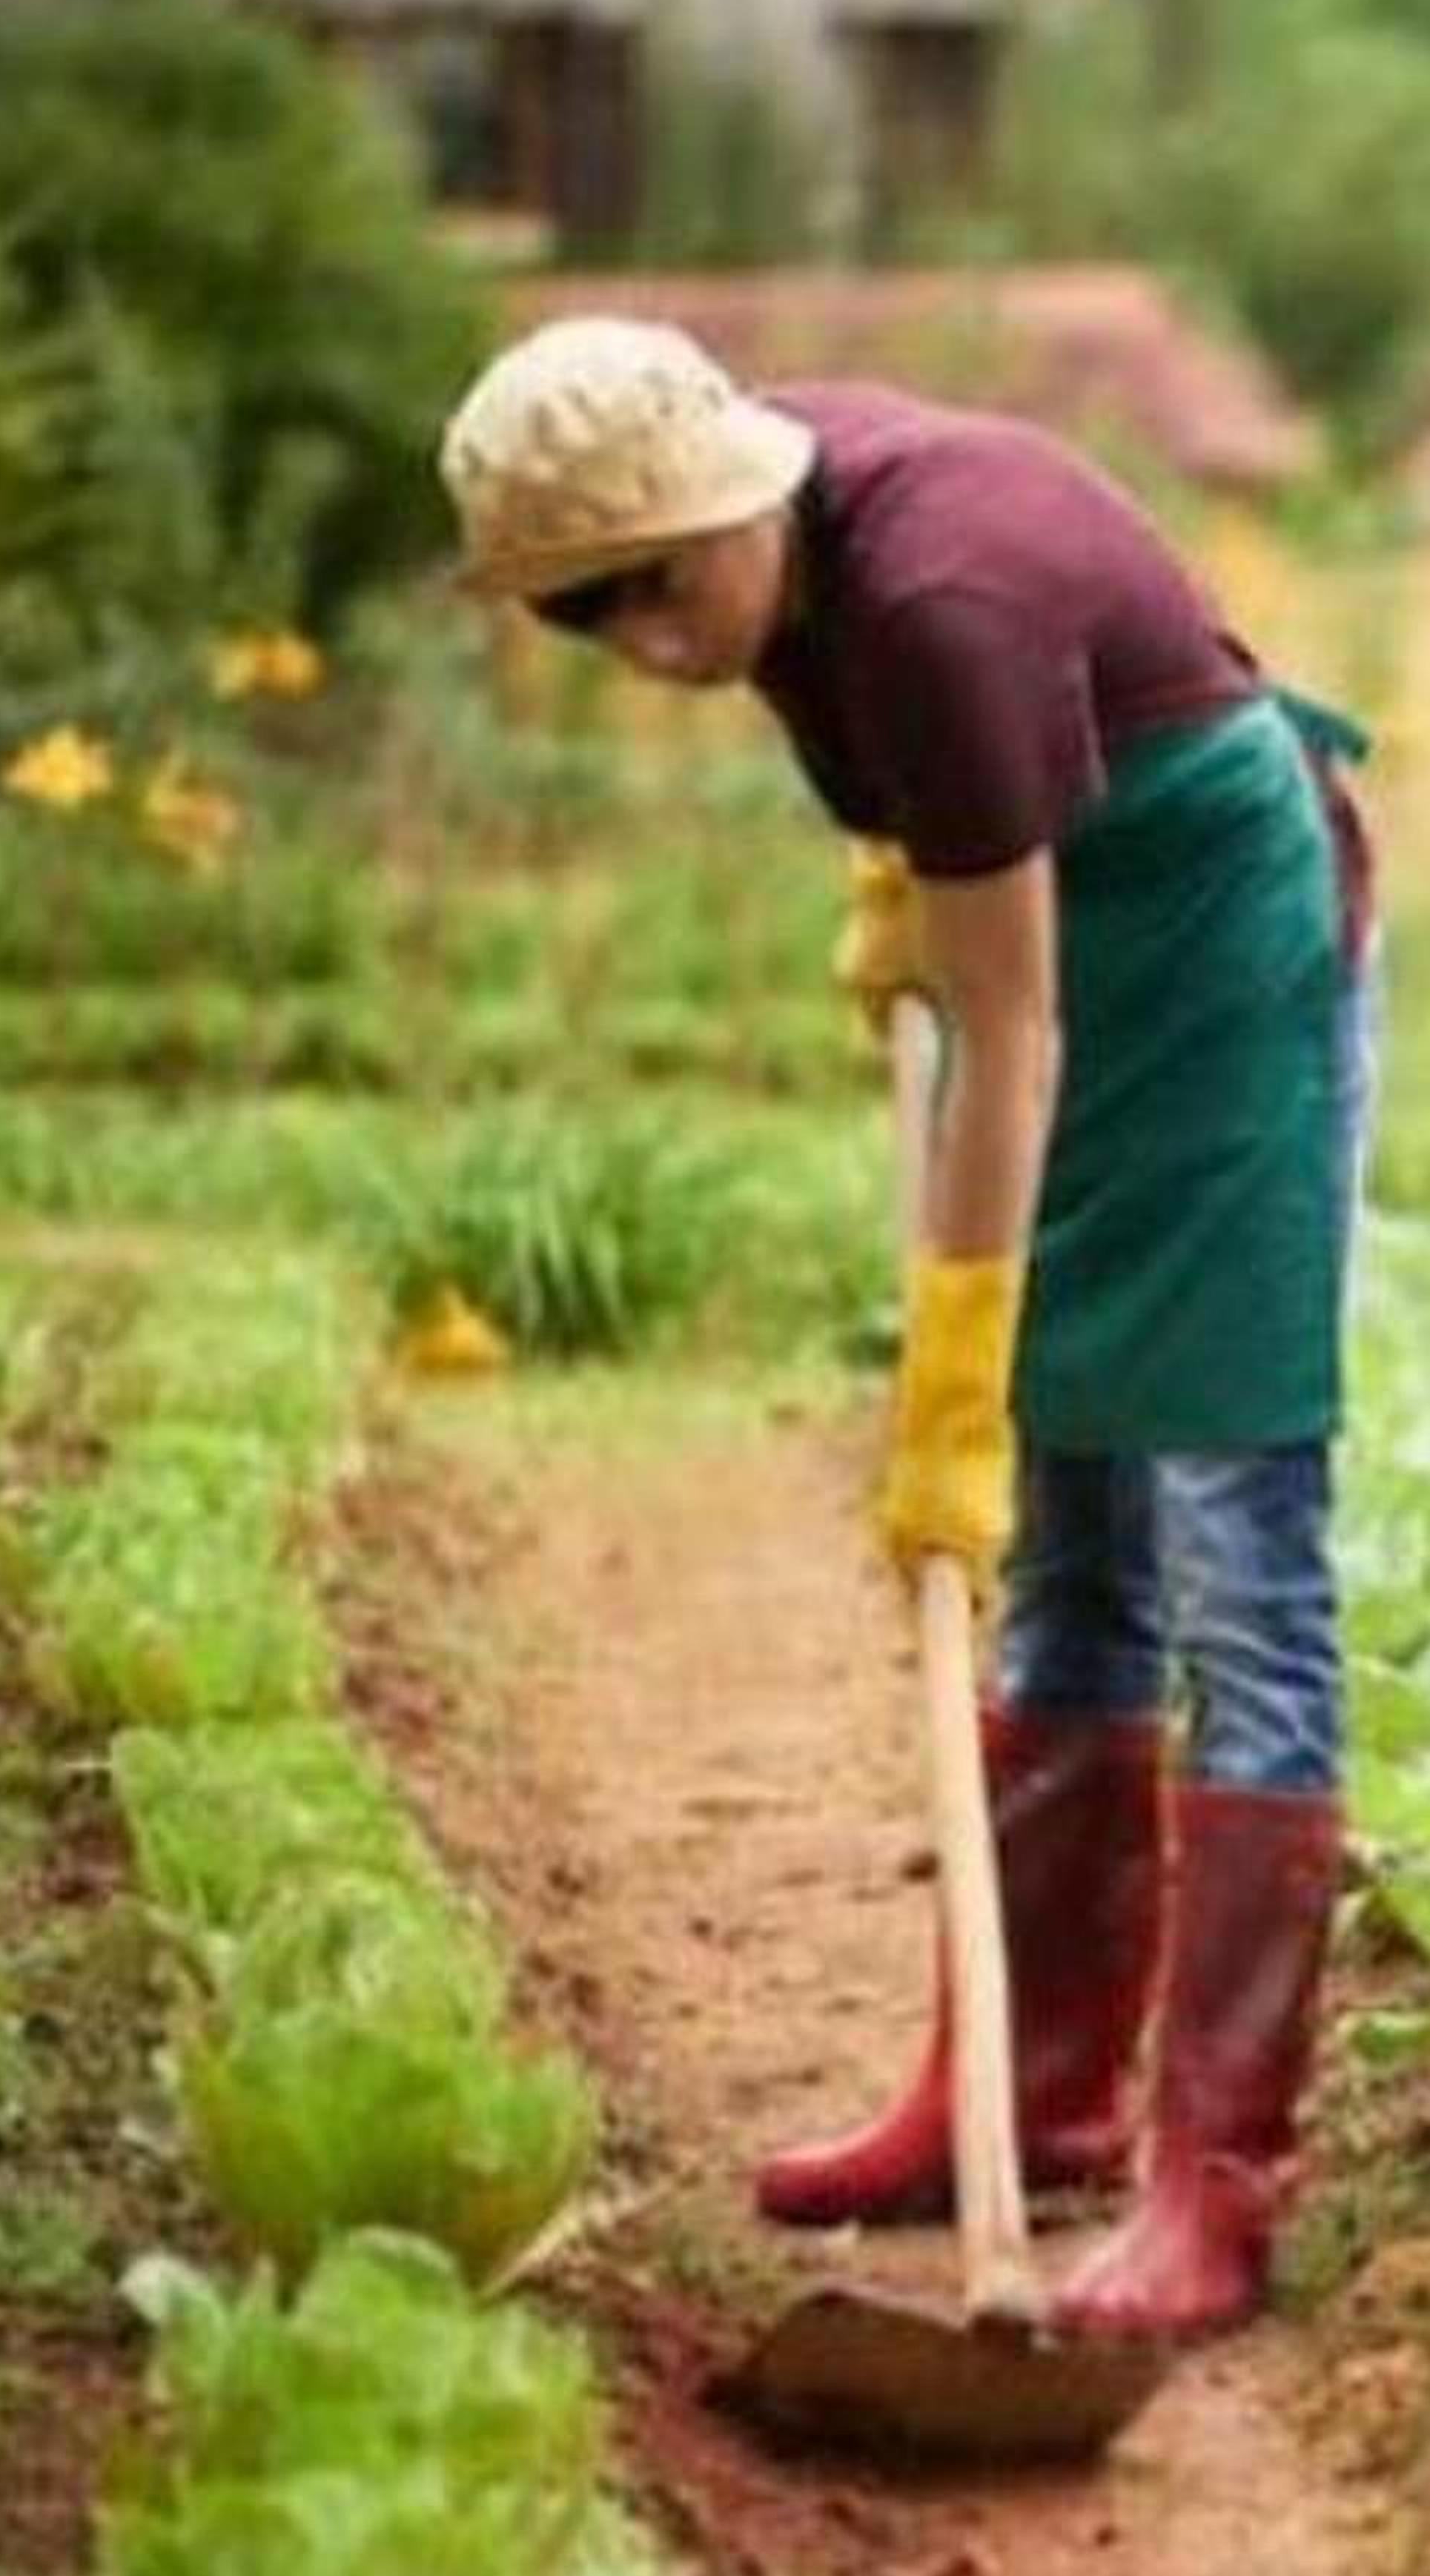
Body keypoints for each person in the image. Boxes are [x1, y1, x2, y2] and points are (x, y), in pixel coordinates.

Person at [436, 319, 1380, 2342]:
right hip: (1054, 914)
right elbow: (969, 907)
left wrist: (952, 1379)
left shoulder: (929, 599)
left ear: (735, 502)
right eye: (591, 615)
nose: (652, 645)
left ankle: (1216, 2184)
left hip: (1206, 954)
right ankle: (1022, 2103)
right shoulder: (789, 548)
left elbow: (1014, 1042)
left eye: (661, 587)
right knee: (1073, 1562)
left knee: (1234, 1548)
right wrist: (908, 883)